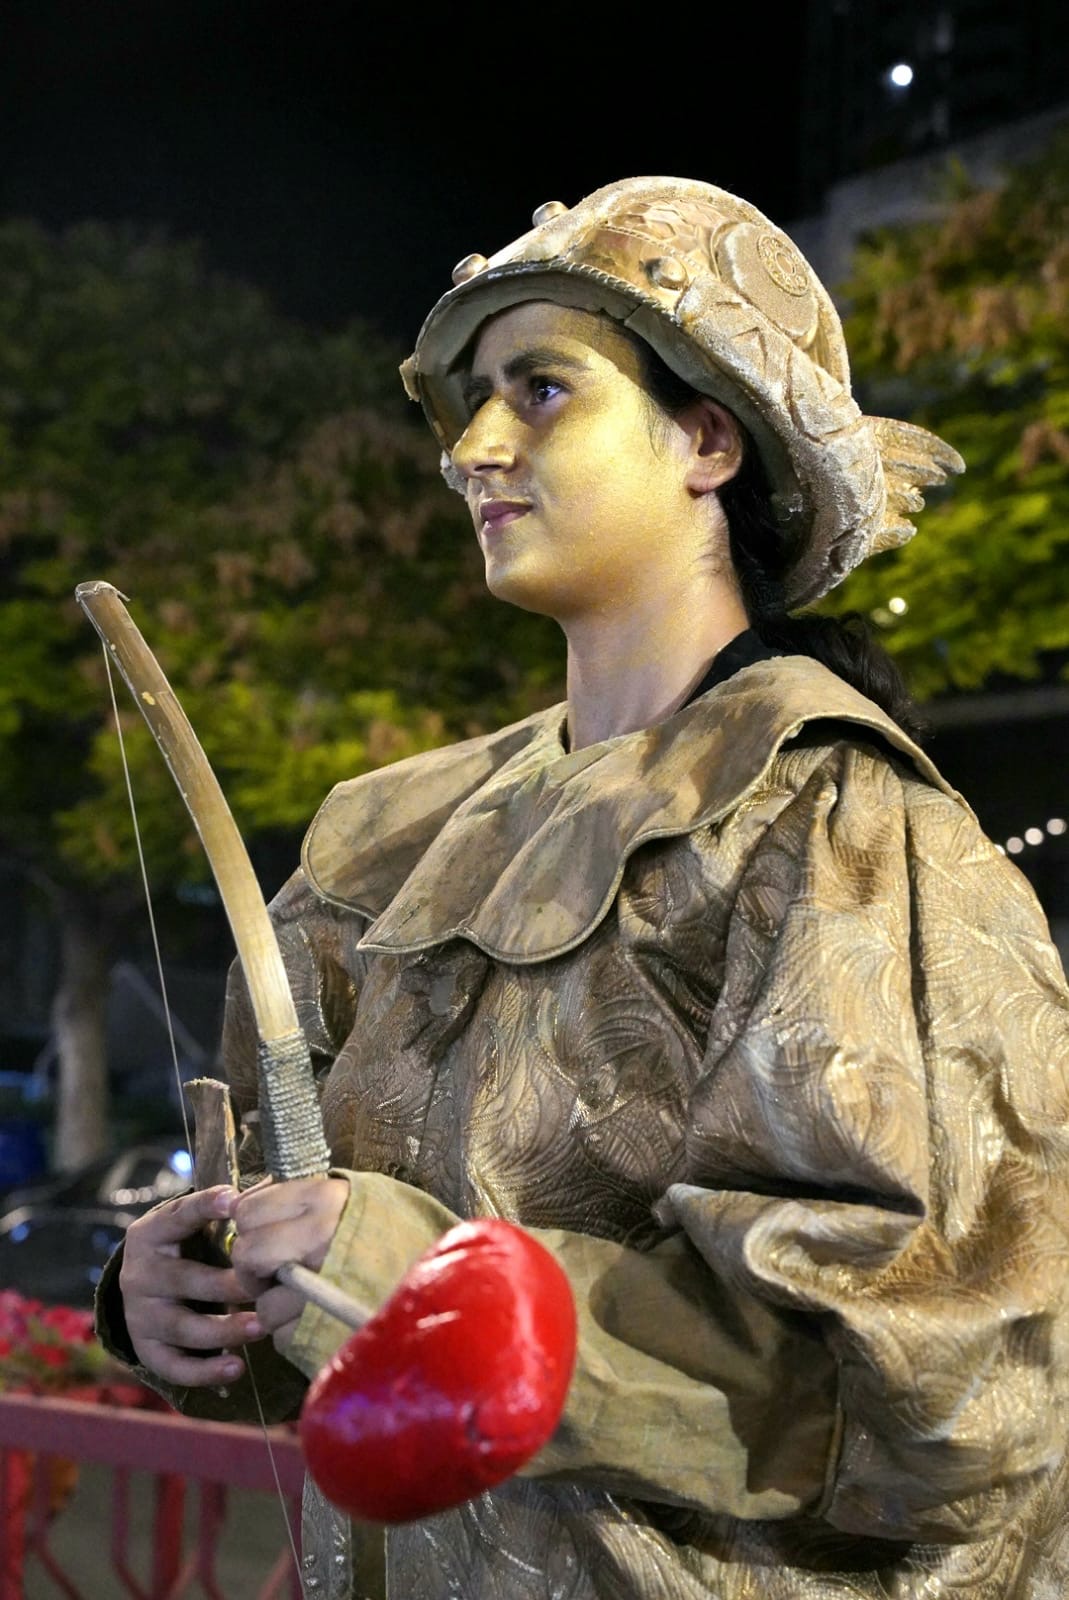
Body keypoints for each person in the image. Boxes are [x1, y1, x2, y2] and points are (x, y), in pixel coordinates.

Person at [97, 177, 1069, 1598]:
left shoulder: (837, 822)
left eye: (541, 390)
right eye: (471, 403)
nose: (472, 449)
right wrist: (198, 1301)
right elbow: (315, 1292)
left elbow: (949, 1378)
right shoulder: (387, 834)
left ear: (708, 442)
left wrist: (448, 1290)